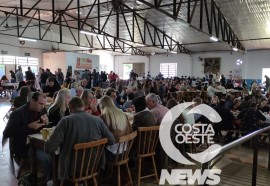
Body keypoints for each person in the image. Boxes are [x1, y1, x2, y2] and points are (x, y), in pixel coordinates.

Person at [44, 97, 115, 184]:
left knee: (52, 159)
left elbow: (49, 148)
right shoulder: (98, 120)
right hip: (93, 166)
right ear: (84, 107)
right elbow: (112, 140)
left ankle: (51, 181)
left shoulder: (65, 121)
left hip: (71, 169)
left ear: (70, 108)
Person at [3, 92, 51, 178]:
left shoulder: (42, 110)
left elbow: (42, 127)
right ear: (32, 101)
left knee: (58, 153)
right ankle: (49, 180)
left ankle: (51, 178)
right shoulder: (18, 113)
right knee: (48, 158)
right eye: (40, 104)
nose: (43, 106)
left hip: (38, 142)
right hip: (24, 146)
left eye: (44, 104)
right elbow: (6, 133)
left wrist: (46, 123)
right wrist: (28, 126)